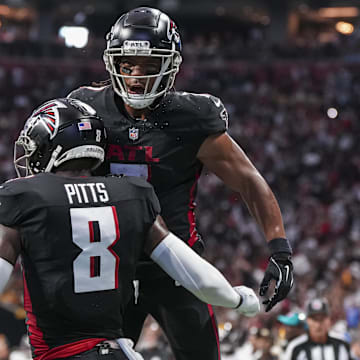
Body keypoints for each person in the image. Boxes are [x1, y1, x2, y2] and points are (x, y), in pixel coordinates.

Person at [68, 6, 294, 359]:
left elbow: (249, 181)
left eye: (149, 66)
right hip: (108, 267)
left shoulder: (191, 118)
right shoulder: (86, 109)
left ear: (170, 67)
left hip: (177, 266)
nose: (137, 76)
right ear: (112, 63)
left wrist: (280, 250)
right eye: (128, 65)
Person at [0, 98, 260, 360]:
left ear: (52, 147)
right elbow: (190, 272)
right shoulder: (132, 194)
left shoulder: (23, 196)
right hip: (117, 352)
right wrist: (235, 299)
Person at [283, 298, 352, 360]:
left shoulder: (342, 344)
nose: (318, 324)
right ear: (307, 321)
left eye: (322, 319)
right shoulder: (295, 347)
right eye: (314, 319)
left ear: (329, 320)